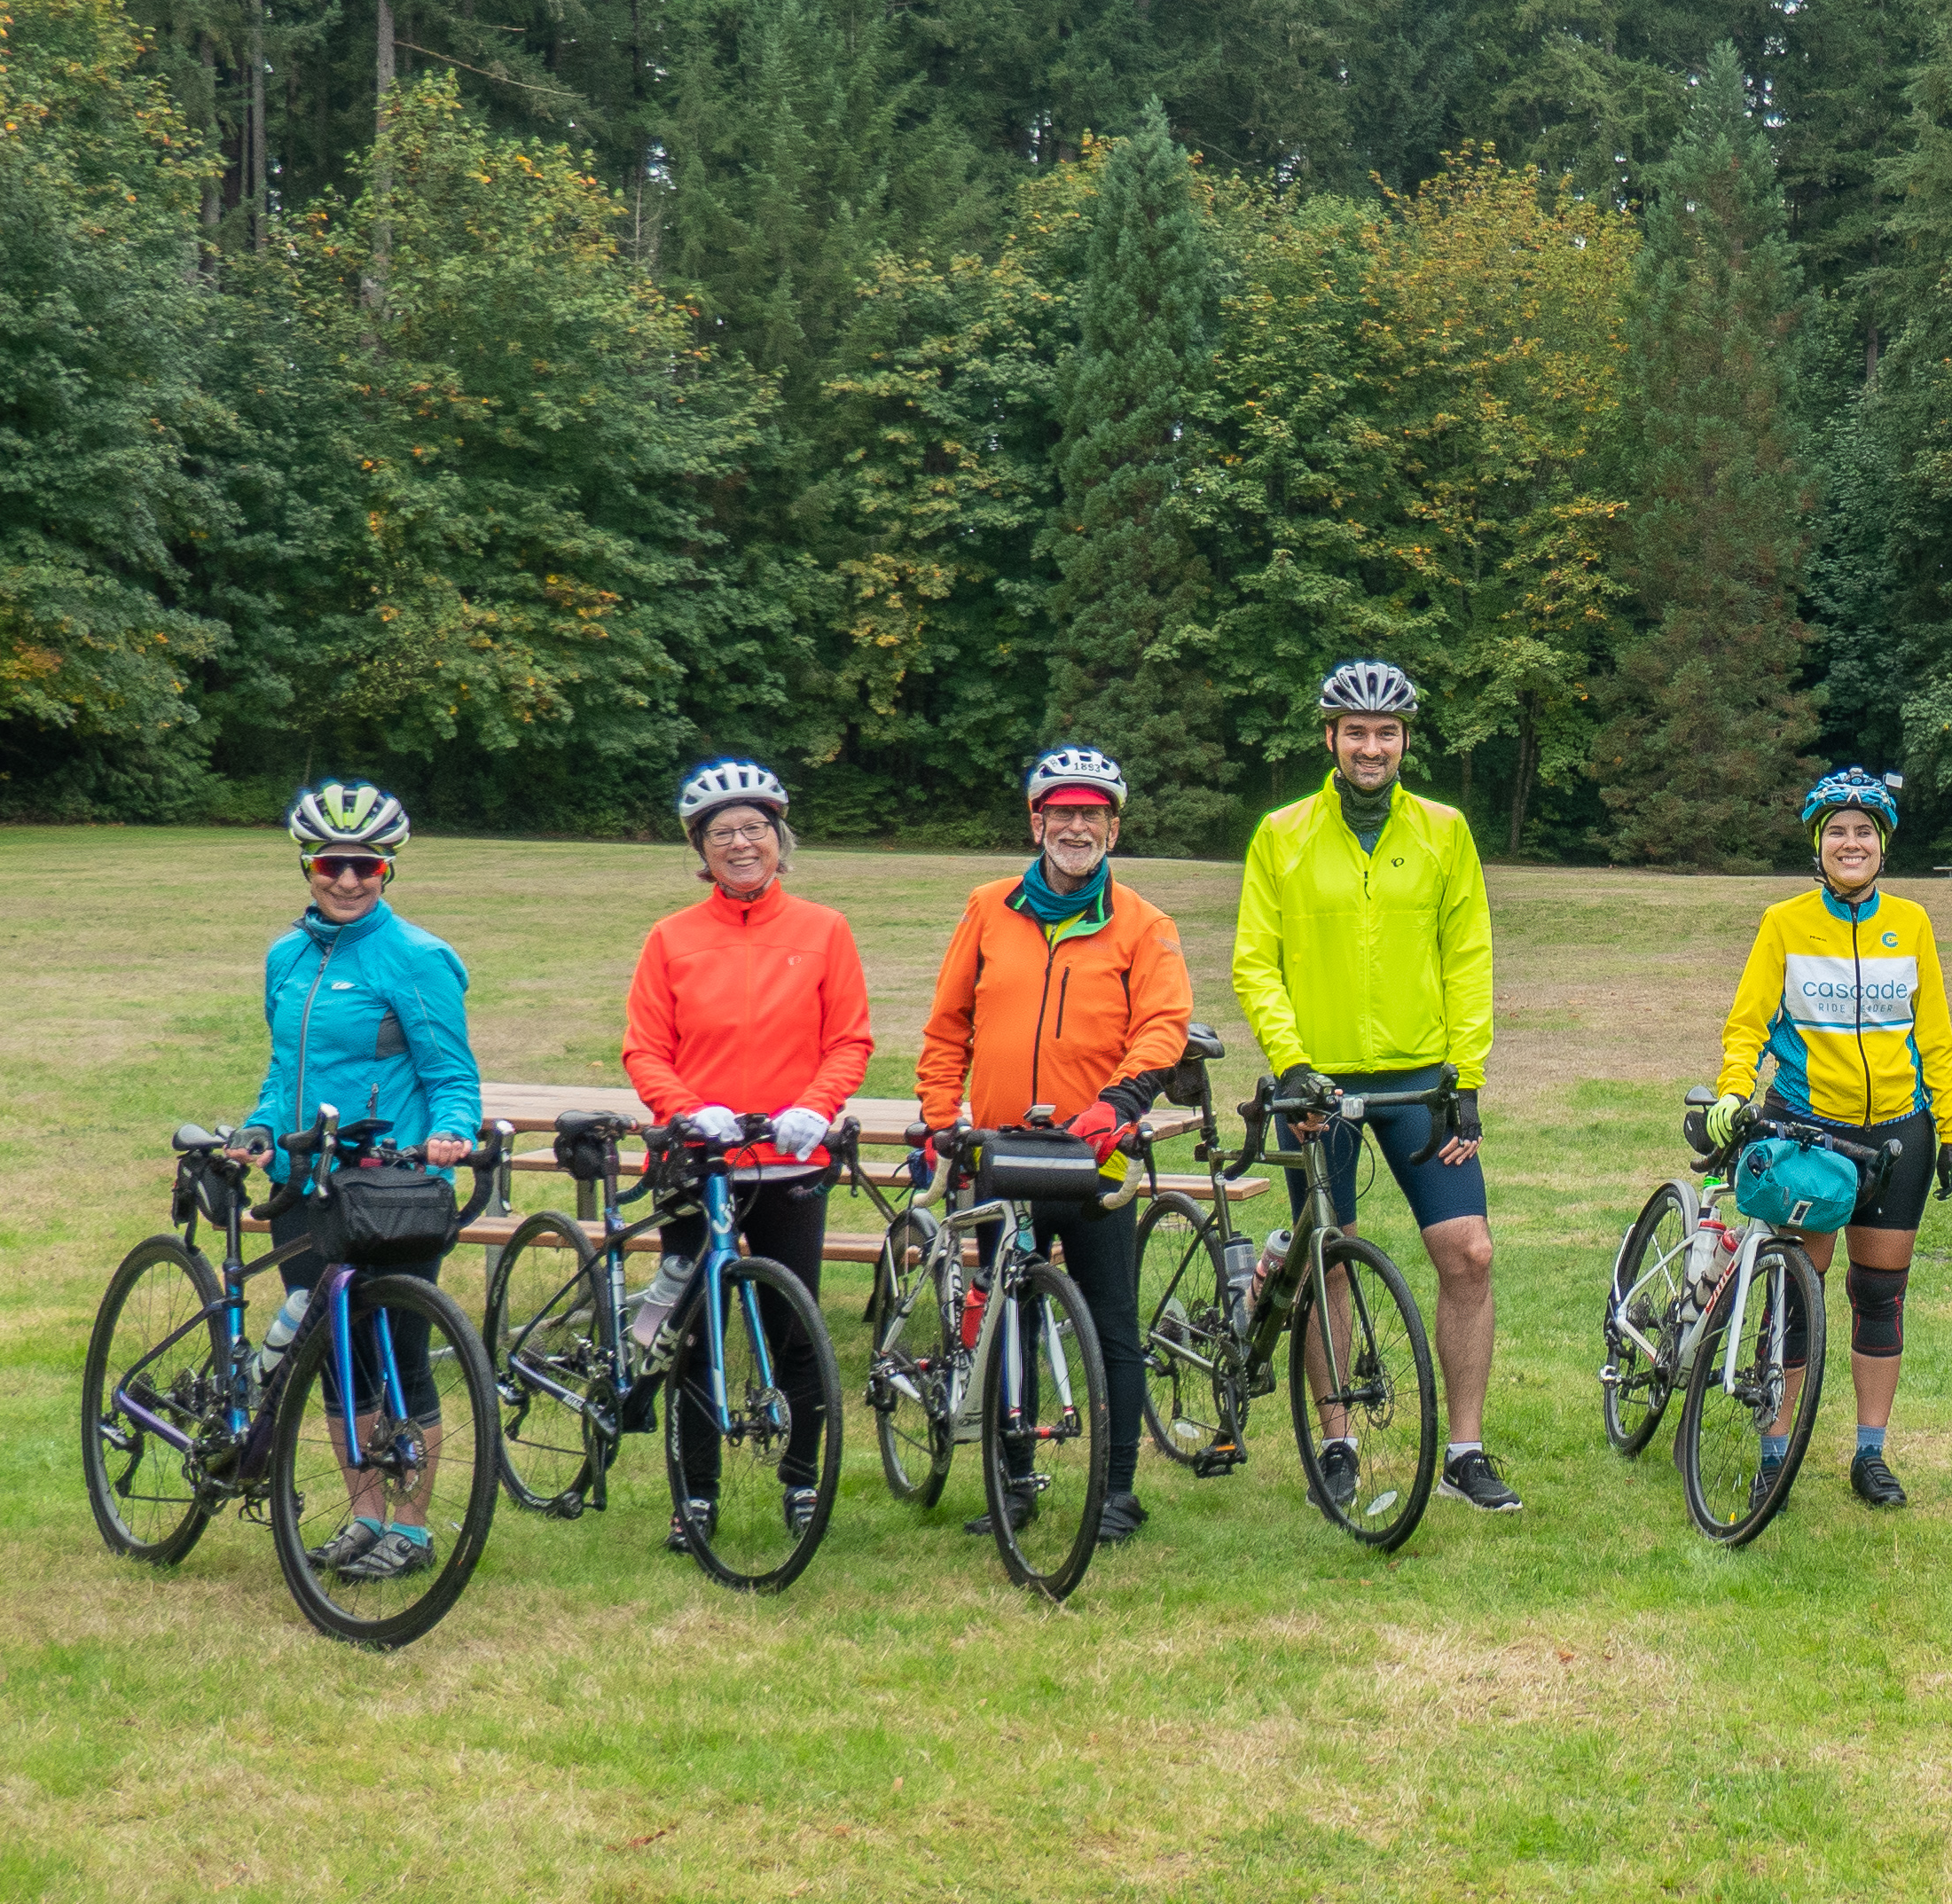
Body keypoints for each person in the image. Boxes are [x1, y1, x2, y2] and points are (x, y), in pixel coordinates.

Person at [1228, 661, 1514, 1515]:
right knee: (1332, 1255)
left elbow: (1468, 958)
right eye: (1355, 731)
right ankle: (1339, 1442)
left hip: (1422, 1075)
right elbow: (1256, 963)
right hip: (1317, 1080)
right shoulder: (1282, 833)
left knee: (1470, 1254)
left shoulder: (1443, 830)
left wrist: (1466, 1077)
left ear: (1405, 741)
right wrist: (1291, 1064)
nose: (1371, 745)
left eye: (1386, 732)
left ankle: (1464, 1450)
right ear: (1330, 737)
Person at [913, 742, 1196, 1545]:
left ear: (1113, 826)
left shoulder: (1145, 923)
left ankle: (1117, 1491)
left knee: (1110, 1320)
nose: (1078, 827)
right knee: (1007, 1316)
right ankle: (1013, 1482)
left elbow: (1163, 1026)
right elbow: (948, 1026)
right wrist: (941, 1115)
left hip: (1094, 1152)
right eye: (1063, 813)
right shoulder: (988, 907)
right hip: (1000, 1150)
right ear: (1037, 821)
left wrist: (1122, 1099)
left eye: (1093, 815)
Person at [623, 756, 874, 1555]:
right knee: (695, 1332)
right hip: (705, 1162)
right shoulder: (672, 938)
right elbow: (645, 1048)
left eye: (754, 830)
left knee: (793, 1323)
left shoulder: (824, 929)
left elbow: (850, 1038)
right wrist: (687, 1110)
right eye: (722, 833)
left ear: (779, 840)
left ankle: (803, 1480)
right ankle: (694, 1496)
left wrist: (817, 1107)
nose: (740, 844)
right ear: (702, 848)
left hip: (790, 1159)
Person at [236, 780, 483, 1583]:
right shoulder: (287, 955)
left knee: (399, 1354)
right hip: (305, 1185)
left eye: (365, 866)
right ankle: (364, 1516)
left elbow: (451, 1071)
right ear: (307, 864)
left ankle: (409, 1533)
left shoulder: (414, 957)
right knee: (339, 1360)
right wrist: (264, 1129)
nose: (347, 880)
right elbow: (283, 1070)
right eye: (330, 864)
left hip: (390, 1189)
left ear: (388, 870)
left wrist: (451, 1132)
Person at [1705, 769, 1952, 1507]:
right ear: (1817, 846)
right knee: (1794, 1293)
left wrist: (1950, 1127)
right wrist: (1734, 1090)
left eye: (1863, 832)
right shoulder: (1785, 922)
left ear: (1882, 846)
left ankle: (1871, 1455)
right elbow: (1748, 1023)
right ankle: (1774, 1453)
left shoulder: (1910, 924)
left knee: (1880, 1295)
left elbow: (1934, 1036)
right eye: (1836, 833)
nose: (1850, 843)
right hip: (1810, 1130)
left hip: (1898, 1134)